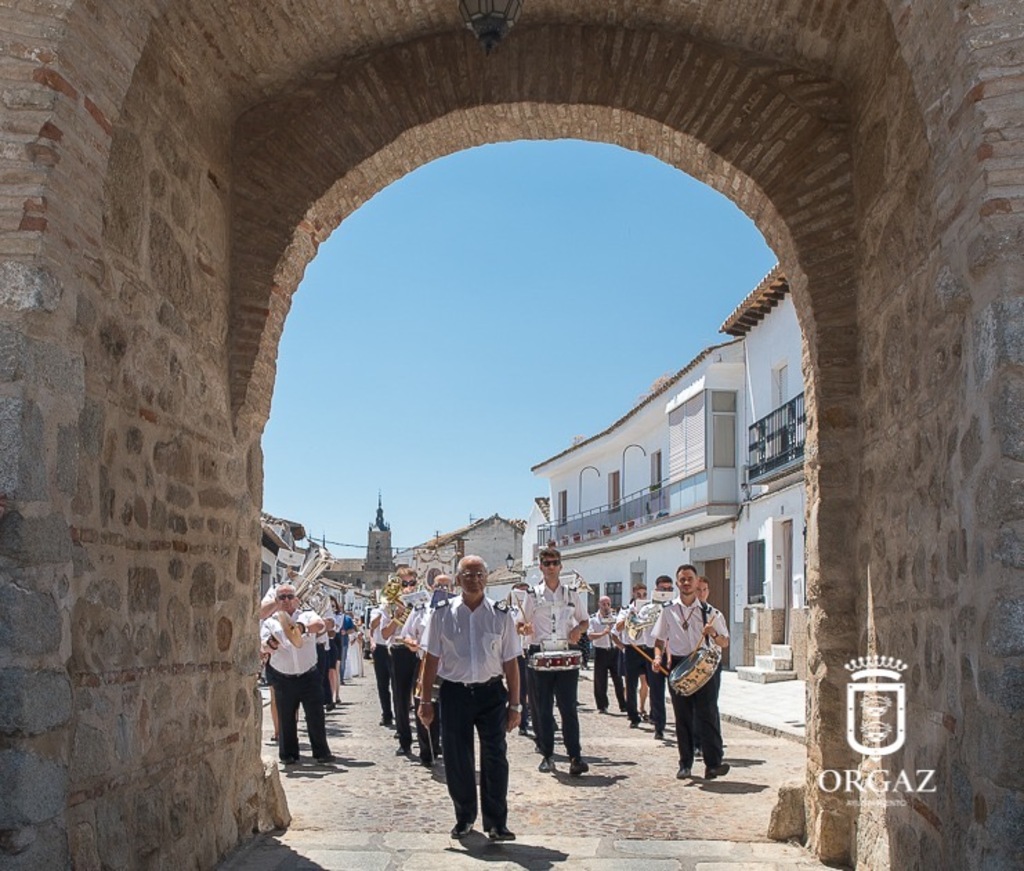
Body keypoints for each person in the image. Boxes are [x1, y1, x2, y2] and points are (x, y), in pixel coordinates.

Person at [418, 555, 520, 842]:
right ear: (457, 579)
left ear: (486, 577)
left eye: (479, 574)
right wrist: (425, 701)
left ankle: (497, 823)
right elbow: (430, 660)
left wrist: (515, 704)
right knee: (457, 758)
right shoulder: (441, 614)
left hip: (491, 693)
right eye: (468, 574)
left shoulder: (501, 615)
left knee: (495, 757)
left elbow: (512, 662)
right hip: (455, 693)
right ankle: (464, 817)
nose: (474, 580)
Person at [652, 564, 730, 780]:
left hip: (704, 664)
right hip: (679, 664)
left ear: (697, 582)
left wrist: (713, 633)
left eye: (690, 579)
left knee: (708, 714)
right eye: (682, 579)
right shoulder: (667, 610)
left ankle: (713, 764)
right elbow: (659, 640)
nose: (686, 583)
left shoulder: (710, 612)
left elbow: (724, 642)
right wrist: (657, 657)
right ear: (678, 583)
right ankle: (685, 764)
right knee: (683, 716)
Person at [518, 546, 590, 776]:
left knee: (569, 708)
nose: (551, 567)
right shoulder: (531, 595)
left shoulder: (571, 594)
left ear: (560, 566)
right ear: (540, 567)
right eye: (547, 563)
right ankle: (547, 755)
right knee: (543, 708)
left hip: (565, 652)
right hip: (540, 653)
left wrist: (578, 630)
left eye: (555, 563)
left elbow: (585, 620)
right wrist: (524, 628)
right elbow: (519, 624)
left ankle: (575, 756)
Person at [259, 582, 335, 765]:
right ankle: (288, 754)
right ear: (276, 600)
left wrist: (300, 628)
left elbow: (320, 625)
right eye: (282, 597)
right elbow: (263, 646)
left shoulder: (307, 615)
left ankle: (321, 753)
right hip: (283, 676)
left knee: (315, 715)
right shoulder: (270, 622)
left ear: (296, 599)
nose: (286, 600)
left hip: (309, 675)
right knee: (286, 718)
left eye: (289, 597)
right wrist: (271, 644)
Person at [398, 572, 450, 766]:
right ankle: (427, 751)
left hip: (451, 665)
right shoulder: (420, 609)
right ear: (431, 587)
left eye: (446, 586)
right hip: (425, 662)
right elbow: (406, 634)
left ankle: (448, 748)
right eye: (439, 586)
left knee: (450, 708)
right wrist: (411, 642)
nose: (442, 590)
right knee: (424, 704)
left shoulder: (457, 609)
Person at [383, 566, 420, 757]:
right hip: (399, 651)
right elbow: (384, 634)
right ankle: (405, 741)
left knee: (422, 696)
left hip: (419, 651)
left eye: (411, 583)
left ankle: (427, 741)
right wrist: (397, 617)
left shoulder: (422, 603)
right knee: (401, 697)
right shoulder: (389, 605)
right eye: (404, 583)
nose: (408, 587)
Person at [617, 581, 657, 730]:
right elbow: (618, 627)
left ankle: (654, 714)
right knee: (631, 684)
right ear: (633, 594)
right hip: (632, 649)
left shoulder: (650, 609)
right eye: (639, 594)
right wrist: (629, 617)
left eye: (644, 594)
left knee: (653, 683)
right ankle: (633, 716)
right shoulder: (626, 609)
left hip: (647, 649)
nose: (641, 597)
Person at [588, 595, 627, 714]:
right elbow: (590, 635)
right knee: (600, 680)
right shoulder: (593, 619)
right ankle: (602, 705)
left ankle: (623, 705)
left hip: (614, 651)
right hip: (601, 651)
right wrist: (603, 633)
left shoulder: (615, 618)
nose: (606, 607)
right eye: (604, 604)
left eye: (608, 604)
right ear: (599, 605)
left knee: (618, 679)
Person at [508, 580, 533, 736]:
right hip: (517, 653)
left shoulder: (533, 608)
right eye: (520, 592)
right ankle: (522, 722)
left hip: (531, 650)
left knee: (535, 689)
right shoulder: (509, 611)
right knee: (521, 689)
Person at [369, 589, 396, 726]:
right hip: (381, 649)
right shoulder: (377, 611)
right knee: (382, 684)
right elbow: (372, 626)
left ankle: (400, 713)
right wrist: (383, 611)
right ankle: (386, 714)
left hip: (394, 648)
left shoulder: (398, 609)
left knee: (396, 685)